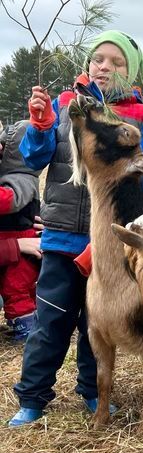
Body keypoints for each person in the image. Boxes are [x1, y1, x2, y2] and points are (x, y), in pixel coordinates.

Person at [8, 30, 143, 427]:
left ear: (133, 70)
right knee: (51, 319)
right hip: (60, 235)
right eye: (98, 59)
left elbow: (140, 182)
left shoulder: (140, 117)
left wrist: (112, 239)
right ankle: (33, 396)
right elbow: (36, 159)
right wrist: (40, 128)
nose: (104, 66)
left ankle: (93, 392)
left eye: (116, 61)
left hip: (107, 245)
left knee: (99, 321)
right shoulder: (66, 105)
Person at [0, 121, 41, 341]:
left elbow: (9, 201)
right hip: (14, 244)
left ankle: (25, 324)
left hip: (22, 248)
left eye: (3, 144)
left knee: (17, 288)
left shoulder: (22, 178)